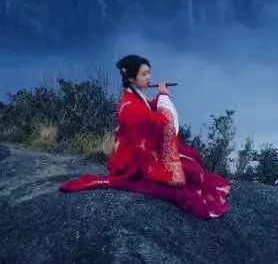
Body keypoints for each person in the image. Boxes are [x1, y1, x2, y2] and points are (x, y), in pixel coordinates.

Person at [58, 54, 231, 219]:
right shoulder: (129, 105)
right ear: (132, 79)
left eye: (149, 72)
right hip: (133, 160)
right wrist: (163, 97)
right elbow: (161, 122)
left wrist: (159, 99)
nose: (149, 77)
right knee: (182, 185)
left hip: (137, 149)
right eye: (144, 74)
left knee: (191, 156)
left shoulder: (134, 96)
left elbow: (148, 108)